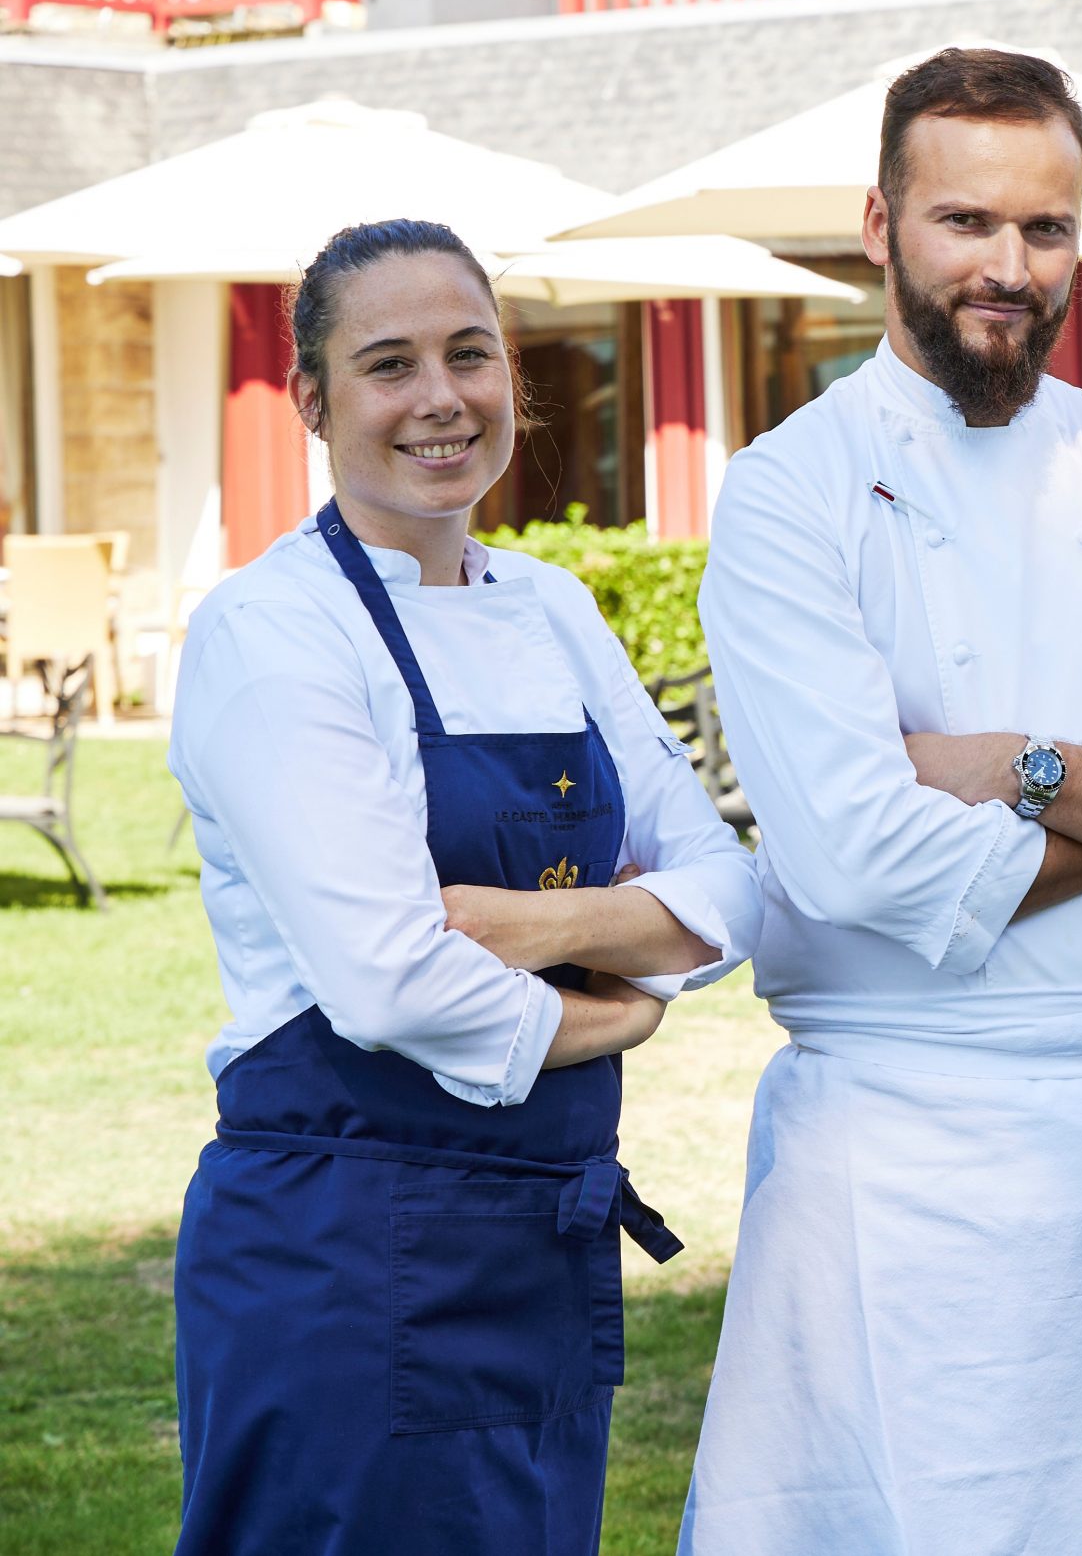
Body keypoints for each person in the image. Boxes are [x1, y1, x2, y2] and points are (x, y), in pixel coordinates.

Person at [679, 48, 1082, 1555]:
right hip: (894, 1151)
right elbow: (853, 858)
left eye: (1046, 230)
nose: (1009, 266)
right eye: (965, 222)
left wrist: (1024, 765)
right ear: (879, 224)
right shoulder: (793, 492)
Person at [166, 219, 761, 1553]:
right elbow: (387, 980)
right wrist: (612, 1005)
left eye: (471, 353)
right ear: (314, 402)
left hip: (541, 1245)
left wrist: (535, 927)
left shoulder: (555, 609)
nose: (442, 398)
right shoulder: (273, 633)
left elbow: (734, 891)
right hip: (339, 1254)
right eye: (390, 364)